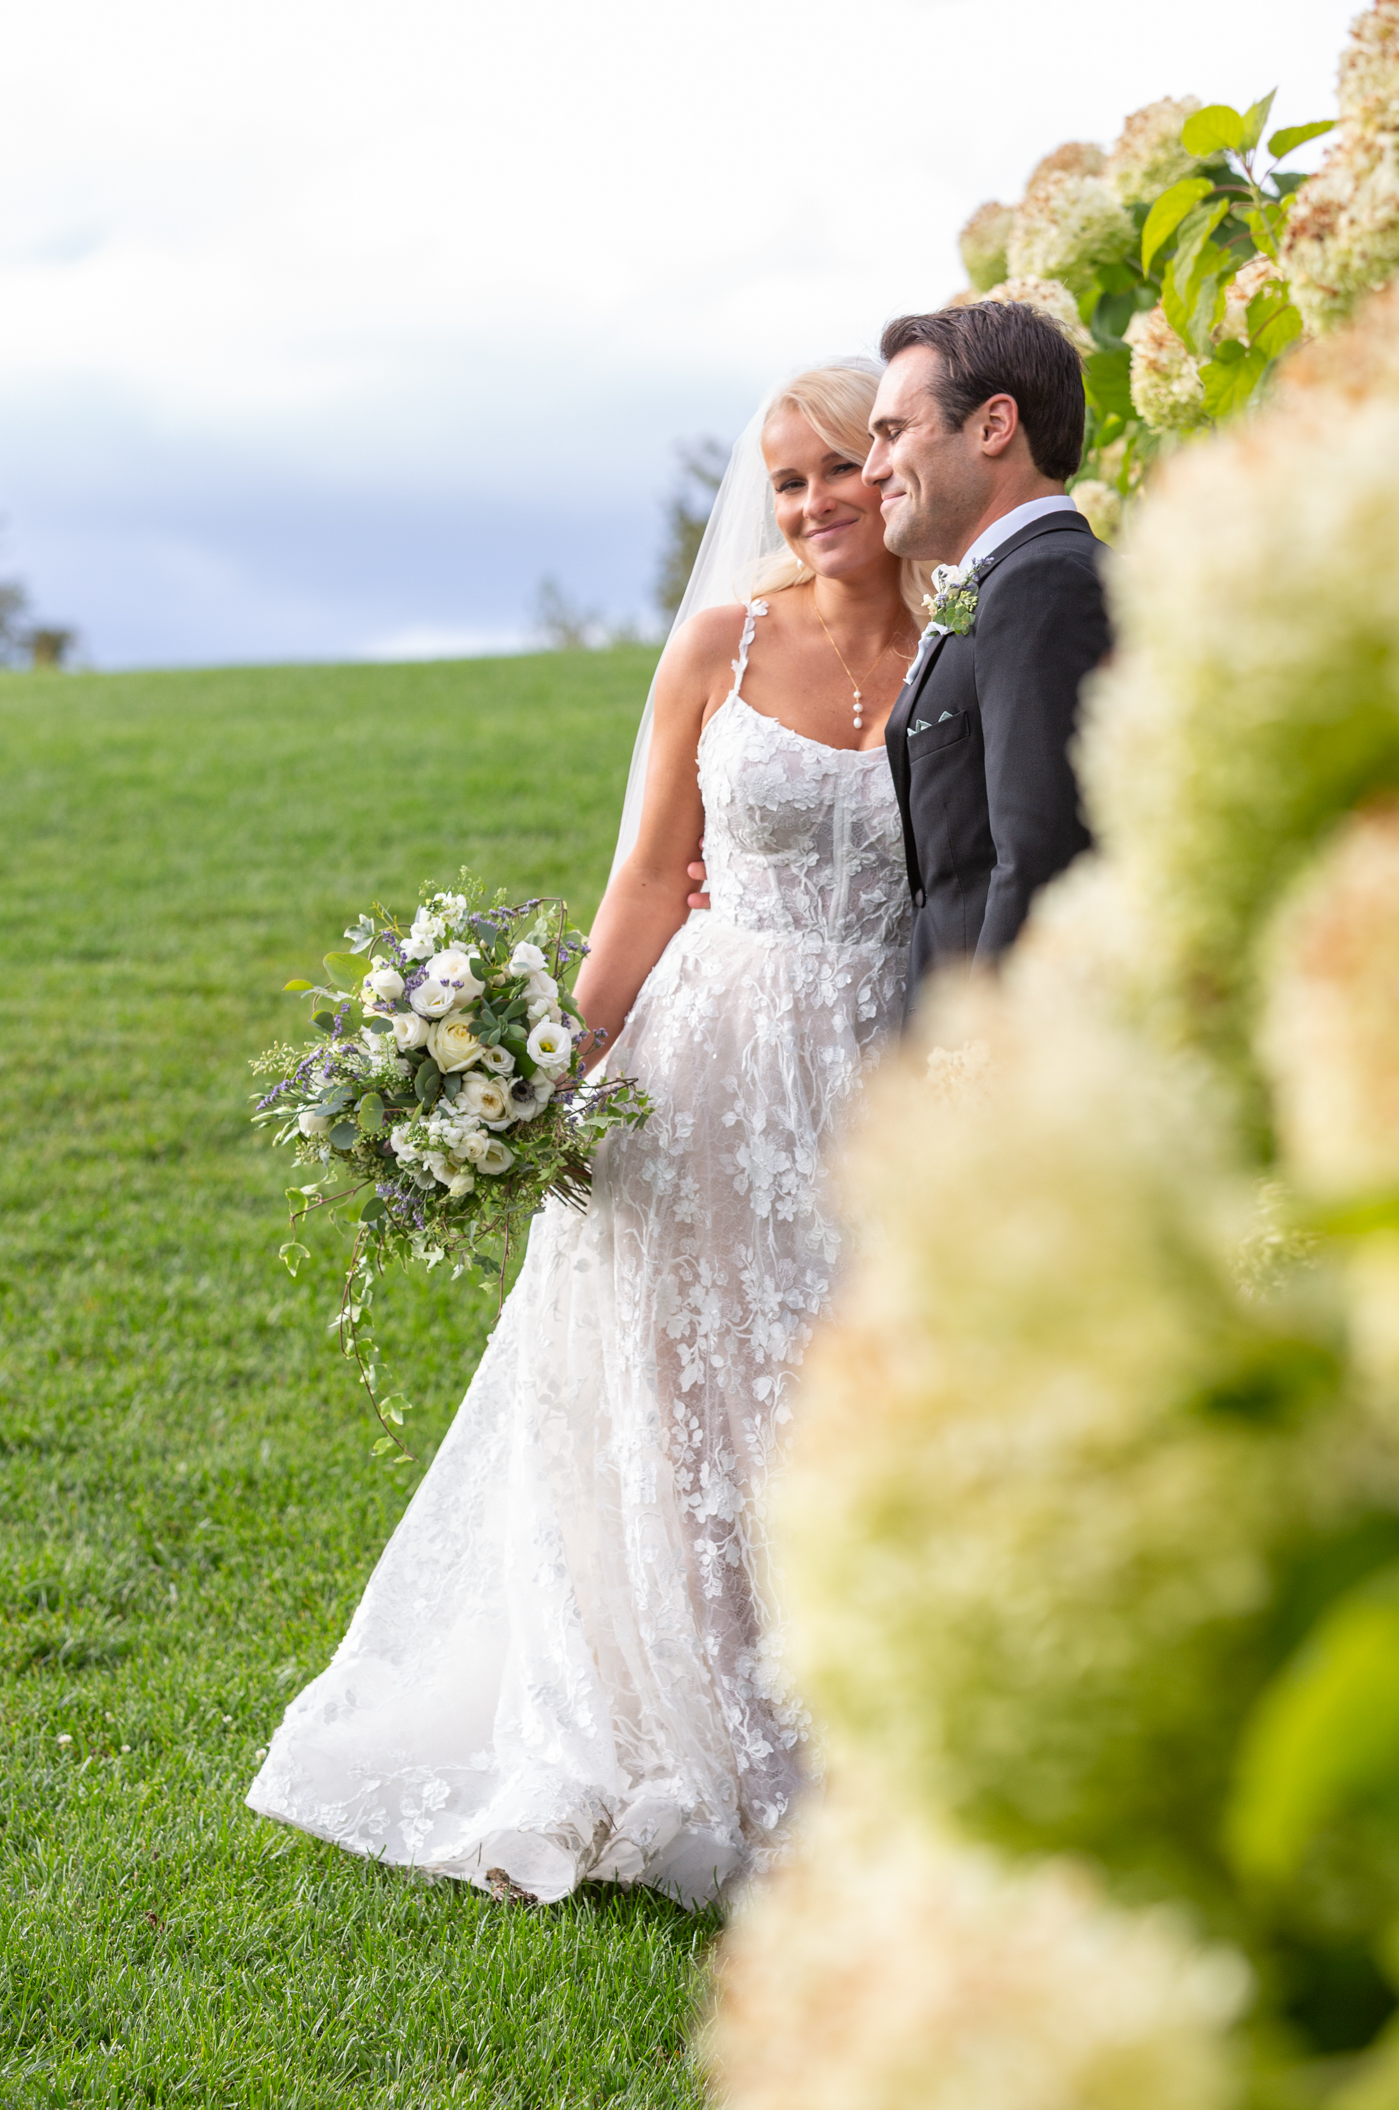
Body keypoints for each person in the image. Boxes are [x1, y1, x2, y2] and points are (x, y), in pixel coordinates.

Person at [246, 361, 922, 1907]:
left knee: (829, 1398)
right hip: (702, 1065)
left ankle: (855, 1726)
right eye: (786, 479)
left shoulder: (955, 649)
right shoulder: (720, 643)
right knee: (682, 1410)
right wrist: (566, 1073)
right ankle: (714, 1746)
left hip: (871, 1080)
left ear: (887, 470)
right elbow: (641, 876)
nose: (812, 503)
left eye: (834, 467)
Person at [865, 299, 1111, 1010]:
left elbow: (1039, 858)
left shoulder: (1044, 583)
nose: (872, 468)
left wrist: (974, 1067)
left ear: (993, 426)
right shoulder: (1002, 580)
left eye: (893, 432)